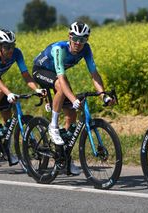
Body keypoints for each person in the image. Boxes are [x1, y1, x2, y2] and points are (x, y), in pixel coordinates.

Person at [32, 21, 115, 175]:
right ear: (69, 36)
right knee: (62, 88)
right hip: (41, 70)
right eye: (75, 38)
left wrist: (103, 95)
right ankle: (53, 126)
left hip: (58, 75)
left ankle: (65, 159)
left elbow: (94, 74)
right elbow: (61, 79)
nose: (78, 43)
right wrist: (73, 99)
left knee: (72, 114)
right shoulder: (59, 49)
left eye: (83, 40)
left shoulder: (86, 50)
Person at [0, 29, 45, 165]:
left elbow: (25, 74)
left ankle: (5, 148)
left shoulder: (17, 53)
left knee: (7, 112)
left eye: (12, 46)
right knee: (0, 92)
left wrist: (37, 89)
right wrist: (9, 93)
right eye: (6, 47)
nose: (10, 49)